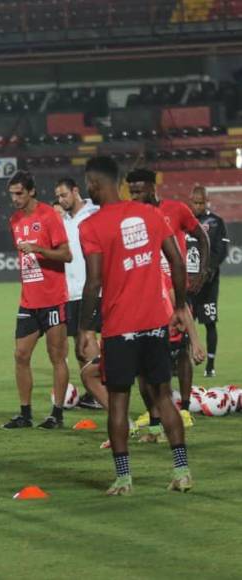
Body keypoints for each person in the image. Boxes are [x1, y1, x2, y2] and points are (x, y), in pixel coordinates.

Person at [77, 156, 193, 495]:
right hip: (156, 322)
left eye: (88, 184)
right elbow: (177, 261)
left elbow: (94, 281)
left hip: (120, 328)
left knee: (118, 402)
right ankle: (182, 471)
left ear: (96, 184)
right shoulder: (150, 214)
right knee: (163, 397)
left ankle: (125, 479)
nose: (88, 189)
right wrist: (181, 305)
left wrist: (85, 328)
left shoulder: (91, 226)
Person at [127, 169, 208, 429]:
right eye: (132, 191)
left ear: (152, 188)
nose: (135, 195)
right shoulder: (131, 216)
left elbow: (202, 237)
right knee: (144, 358)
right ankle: (154, 415)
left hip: (176, 292)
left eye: (139, 190)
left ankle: (183, 408)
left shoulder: (177, 209)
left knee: (182, 350)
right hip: (146, 296)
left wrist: (202, 271)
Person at [3, 171, 72, 430]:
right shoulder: (15, 220)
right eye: (12, 194)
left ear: (32, 191)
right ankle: (25, 414)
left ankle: (57, 414)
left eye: (19, 193)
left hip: (53, 299)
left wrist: (40, 250)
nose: (15, 199)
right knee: (21, 355)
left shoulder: (48, 216)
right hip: (29, 300)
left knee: (57, 357)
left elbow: (67, 255)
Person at [54, 178, 106, 410]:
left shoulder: (94, 212)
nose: (61, 200)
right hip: (71, 291)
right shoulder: (62, 219)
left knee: (89, 337)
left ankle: (99, 389)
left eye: (64, 195)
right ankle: (91, 391)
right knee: (79, 340)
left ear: (76, 191)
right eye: (58, 197)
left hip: (92, 287)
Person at [188, 186, 229, 377]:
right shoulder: (184, 221)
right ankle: (179, 361)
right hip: (188, 284)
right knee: (183, 322)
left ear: (207, 201)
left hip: (209, 284)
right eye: (195, 202)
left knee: (210, 322)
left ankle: (210, 365)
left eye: (201, 202)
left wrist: (208, 271)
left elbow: (222, 250)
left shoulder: (217, 222)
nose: (198, 206)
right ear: (190, 201)